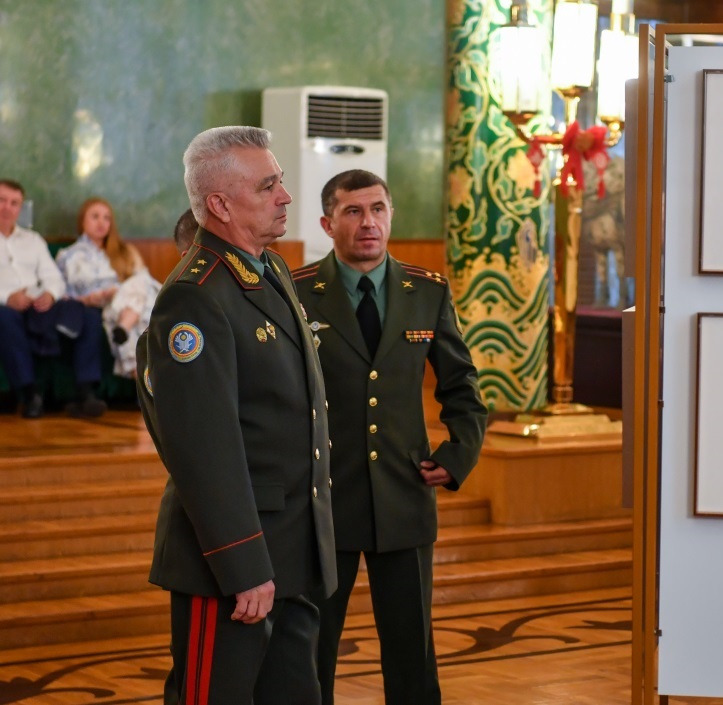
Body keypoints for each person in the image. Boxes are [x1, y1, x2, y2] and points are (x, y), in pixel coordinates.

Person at [135, 126, 337, 705]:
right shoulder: (196, 295)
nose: (286, 196)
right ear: (220, 205)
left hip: (290, 550)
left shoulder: (268, 270)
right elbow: (204, 449)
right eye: (267, 186)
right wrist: (243, 564)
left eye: (280, 182)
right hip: (233, 567)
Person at [292, 169, 488, 705]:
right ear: (328, 224)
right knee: (310, 649)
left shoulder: (426, 291)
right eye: (353, 212)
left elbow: (462, 387)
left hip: (404, 493)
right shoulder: (297, 291)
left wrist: (458, 455)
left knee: (411, 652)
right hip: (324, 498)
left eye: (377, 209)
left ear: (391, 216)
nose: (368, 223)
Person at [0, 179, 105, 418]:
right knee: (4, 317)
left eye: (14, 203)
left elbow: (53, 277)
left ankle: (85, 392)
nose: (7, 207)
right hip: (6, 307)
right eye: (2, 200)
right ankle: (30, 394)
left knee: (88, 315)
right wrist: (7, 297)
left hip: (39, 303)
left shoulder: (33, 240)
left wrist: (49, 294)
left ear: (20, 208)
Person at [56, 198, 161, 378]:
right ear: (82, 221)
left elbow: (145, 284)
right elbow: (60, 294)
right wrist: (86, 299)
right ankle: (144, 376)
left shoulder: (125, 252)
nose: (101, 222)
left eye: (106, 218)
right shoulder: (67, 256)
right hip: (98, 307)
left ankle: (124, 331)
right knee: (138, 298)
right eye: (95, 216)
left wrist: (117, 291)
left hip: (125, 303)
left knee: (140, 283)